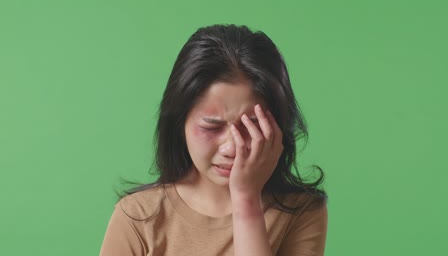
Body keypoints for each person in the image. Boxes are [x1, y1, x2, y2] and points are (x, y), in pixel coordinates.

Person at [99, 24, 328, 256]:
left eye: (252, 125)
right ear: (180, 123)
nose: (232, 147)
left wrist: (246, 200)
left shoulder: (301, 211)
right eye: (212, 126)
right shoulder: (139, 215)